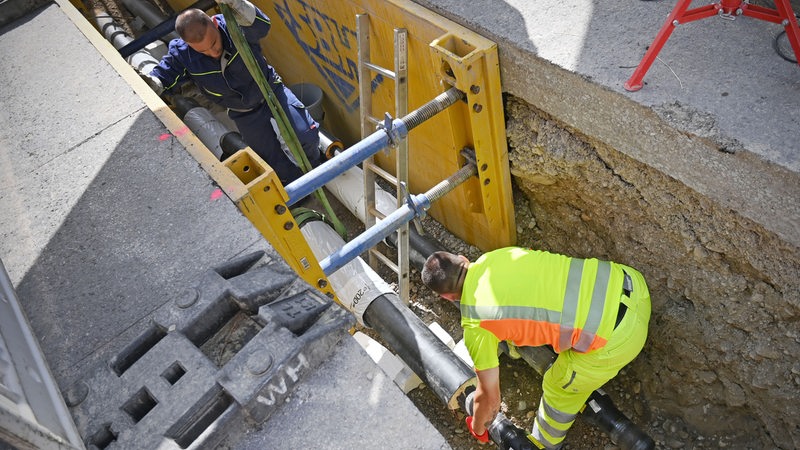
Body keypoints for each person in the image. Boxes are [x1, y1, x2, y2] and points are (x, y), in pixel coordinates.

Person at [421, 247, 651, 448]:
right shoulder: (498, 256)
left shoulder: (475, 324)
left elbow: (490, 398)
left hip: (619, 339)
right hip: (632, 284)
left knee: (558, 384)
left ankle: (544, 444)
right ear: (463, 258)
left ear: (446, 296)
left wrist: (479, 426)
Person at [145, 0, 321, 184]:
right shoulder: (183, 54)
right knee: (272, 159)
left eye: (213, 43)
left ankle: (318, 168)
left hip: (271, 92)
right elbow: (163, 75)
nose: (212, 52)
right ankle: (299, 188)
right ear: (188, 44)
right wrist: (152, 83)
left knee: (305, 135)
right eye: (203, 51)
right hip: (244, 113)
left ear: (214, 22)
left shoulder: (235, 27)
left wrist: (237, 3)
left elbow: (261, 25)